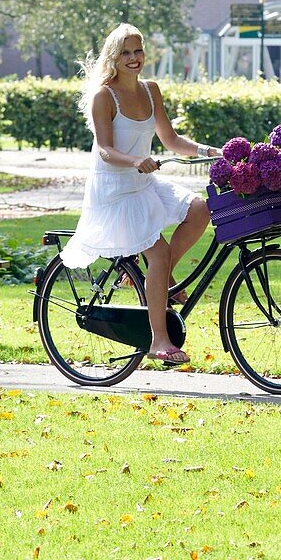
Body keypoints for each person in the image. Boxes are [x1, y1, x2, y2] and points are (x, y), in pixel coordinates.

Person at [60, 23, 221, 365]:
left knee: (200, 209)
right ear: (114, 58)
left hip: (144, 183)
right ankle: (159, 340)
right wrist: (136, 160)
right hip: (115, 189)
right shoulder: (105, 96)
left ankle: (156, 280)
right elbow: (104, 150)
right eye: (125, 53)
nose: (134, 59)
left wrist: (211, 150)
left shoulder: (151, 90)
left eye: (138, 51)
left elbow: (172, 141)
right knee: (159, 255)